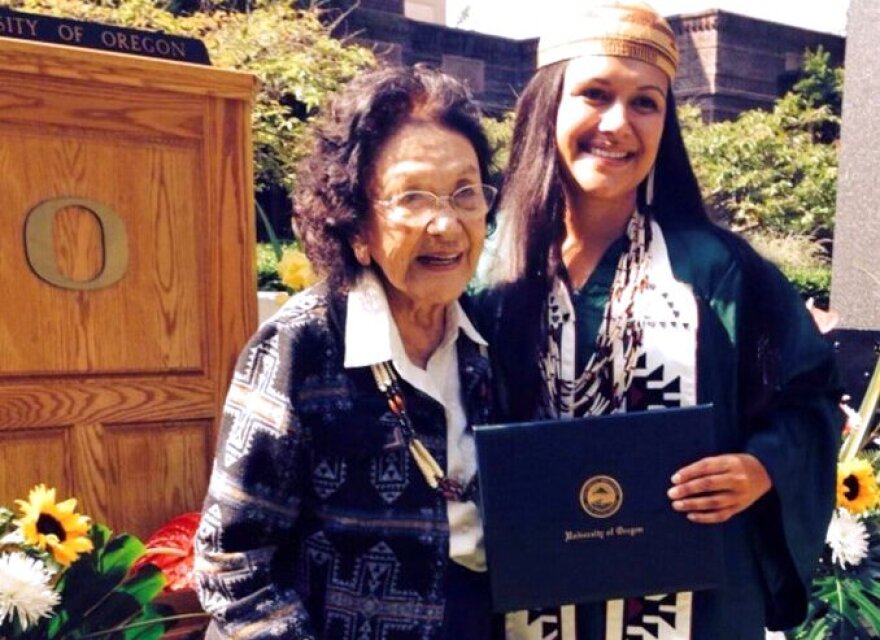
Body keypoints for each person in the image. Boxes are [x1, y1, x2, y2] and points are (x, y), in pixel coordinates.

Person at [476, 2, 840, 638]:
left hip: (694, 606)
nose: (618, 124)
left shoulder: (717, 272)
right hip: (519, 595)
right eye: (594, 94)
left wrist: (761, 468)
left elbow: (807, 400)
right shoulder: (485, 276)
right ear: (546, 109)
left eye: (646, 103)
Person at [194, 65, 500, 639]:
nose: (446, 223)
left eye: (465, 192)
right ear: (355, 225)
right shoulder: (301, 346)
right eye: (412, 197)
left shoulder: (487, 339)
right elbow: (232, 562)